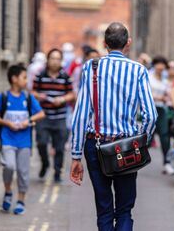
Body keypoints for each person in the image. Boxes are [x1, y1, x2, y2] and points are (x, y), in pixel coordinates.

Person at [70, 22, 157, 231]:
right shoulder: (138, 70)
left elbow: (81, 114)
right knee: (125, 210)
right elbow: (151, 116)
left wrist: (75, 155)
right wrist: (140, 140)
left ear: (104, 43)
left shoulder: (91, 68)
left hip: (96, 146)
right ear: (128, 43)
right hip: (126, 147)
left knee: (104, 208)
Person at [0, 65, 45, 215]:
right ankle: (8, 191)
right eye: (24, 77)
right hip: (7, 139)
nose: (26, 80)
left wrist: (27, 120)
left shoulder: (28, 98)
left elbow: (41, 113)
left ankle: (21, 200)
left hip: (24, 141)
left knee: (23, 171)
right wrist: (8, 123)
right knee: (9, 166)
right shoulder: (3, 97)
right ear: (14, 79)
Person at [32, 49, 75, 183]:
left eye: (57, 58)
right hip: (43, 117)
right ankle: (45, 164)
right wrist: (39, 95)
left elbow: (72, 94)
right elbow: (32, 92)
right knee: (42, 143)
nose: (55, 61)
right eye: (52, 58)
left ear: (61, 60)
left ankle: (57, 172)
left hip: (60, 117)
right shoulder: (40, 76)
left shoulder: (65, 76)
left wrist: (62, 99)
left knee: (60, 148)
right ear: (48, 60)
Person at [149, 56, 172, 174]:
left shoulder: (165, 81)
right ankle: (136, 159)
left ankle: (167, 162)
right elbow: (145, 93)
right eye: (158, 63)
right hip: (149, 109)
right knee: (146, 137)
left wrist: (167, 98)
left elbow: (168, 95)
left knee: (164, 135)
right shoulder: (148, 76)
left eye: (163, 64)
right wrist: (159, 97)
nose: (161, 66)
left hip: (162, 110)